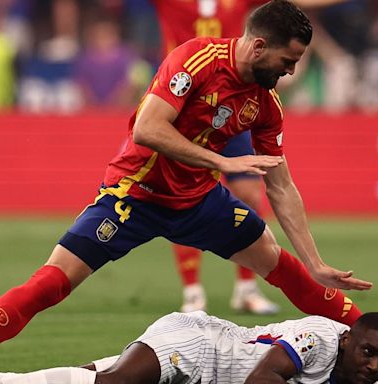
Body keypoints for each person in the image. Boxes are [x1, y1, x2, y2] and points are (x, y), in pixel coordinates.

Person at [0, 1, 378, 383]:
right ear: (258, 46)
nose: (291, 70)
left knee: (291, 271)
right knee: (49, 284)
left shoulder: (266, 103)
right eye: (287, 59)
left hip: (198, 201)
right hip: (134, 195)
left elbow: (280, 182)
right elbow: (148, 128)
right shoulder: (193, 60)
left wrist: (317, 260)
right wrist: (222, 162)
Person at [149, 0, 357, 315]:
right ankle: (192, 292)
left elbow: (294, 4)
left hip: (235, 101)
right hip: (186, 104)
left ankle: (246, 288)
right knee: (184, 195)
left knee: (249, 192)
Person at [0, 311, 378, 384]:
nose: (373, 365)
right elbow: (261, 379)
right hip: (201, 345)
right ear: (347, 337)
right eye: (367, 353)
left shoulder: (362, 372)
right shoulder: (318, 339)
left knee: (88, 378)